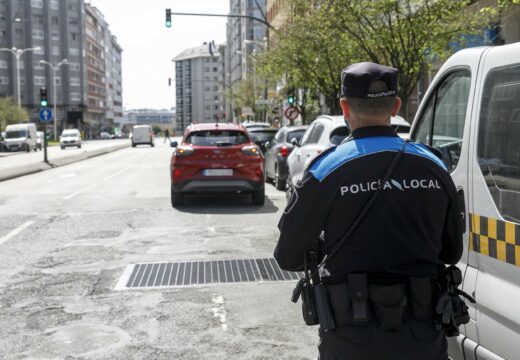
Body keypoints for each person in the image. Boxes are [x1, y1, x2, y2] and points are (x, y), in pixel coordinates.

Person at [274, 62, 463, 360]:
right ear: (396, 105)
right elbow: (451, 252)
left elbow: (288, 256)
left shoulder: (326, 170)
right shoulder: (434, 165)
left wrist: (328, 245)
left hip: (352, 337)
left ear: (345, 107)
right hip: (423, 333)